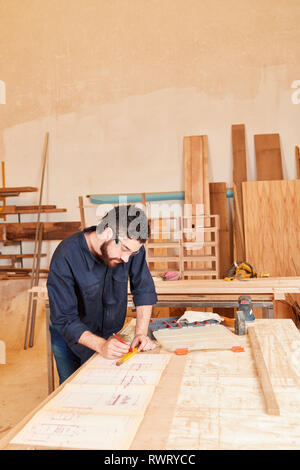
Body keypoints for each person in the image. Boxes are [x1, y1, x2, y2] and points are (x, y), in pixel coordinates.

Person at [47, 204, 157, 384]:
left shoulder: (131, 246)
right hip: (70, 335)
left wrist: (140, 334)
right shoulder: (66, 255)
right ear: (107, 233)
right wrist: (100, 345)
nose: (126, 259)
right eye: (125, 250)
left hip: (109, 333)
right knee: (72, 388)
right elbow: (64, 318)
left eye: (133, 252)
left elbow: (143, 289)